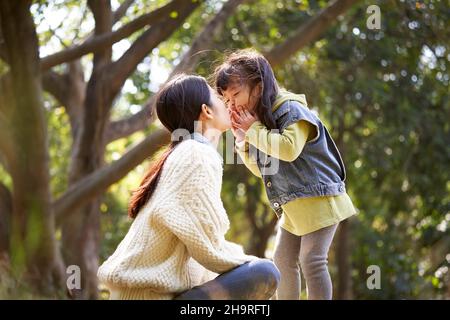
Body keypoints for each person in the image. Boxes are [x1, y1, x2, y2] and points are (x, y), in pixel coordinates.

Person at [97, 74, 280, 300]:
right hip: (150, 297)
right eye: (218, 96)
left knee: (256, 270)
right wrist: (252, 264)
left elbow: (199, 243)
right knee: (265, 273)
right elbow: (209, 248)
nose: (227, 102)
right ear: (207, 111)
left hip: (145, 295)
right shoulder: (196, 154)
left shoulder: (185, 152)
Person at [214, 49, 357, 300]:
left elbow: (289, 149)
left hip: (320, 198)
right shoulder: (260, 123)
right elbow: (262, 169)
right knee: (282, 260)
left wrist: (254, 130)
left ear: (258, 87)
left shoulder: (290, 109)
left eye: (235, 94)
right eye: (226, 100)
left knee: (312, 260)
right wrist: (243, 141)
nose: (232, 104)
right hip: (293, 206)